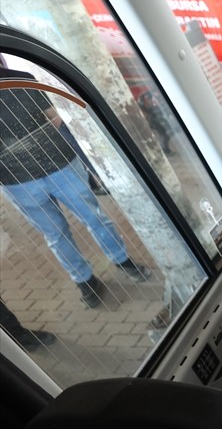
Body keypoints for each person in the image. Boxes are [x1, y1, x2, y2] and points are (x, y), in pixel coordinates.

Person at [0, 67, 152, 309]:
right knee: (56, 233)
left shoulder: (22, 78)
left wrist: (32, 147)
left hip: (60, 165)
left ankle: (120, 259)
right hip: (19, 183)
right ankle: (85, 280)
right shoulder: (21, 79)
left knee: (93, 217)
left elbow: (54, 116)